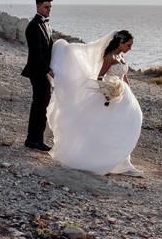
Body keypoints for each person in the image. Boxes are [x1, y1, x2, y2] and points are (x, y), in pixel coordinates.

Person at [47, 30, 143, 176]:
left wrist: (128, 89)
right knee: (109, 127)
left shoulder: (121, 56)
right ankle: (101, 159)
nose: (130, 48)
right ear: (120, 43)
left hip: (124, 96)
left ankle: (121, 159)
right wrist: (108, 91)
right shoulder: (109, 57)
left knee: (128, 123)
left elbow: (124, 76)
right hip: (111, 96)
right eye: (128, 45)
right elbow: (100, 77)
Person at [21, 0, 53, 152]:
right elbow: (37, 52)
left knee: (42, 104)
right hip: (37, 71)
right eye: (46, 7)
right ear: (38, 6)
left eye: (50, 7)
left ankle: (35, 138)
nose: (49, 10)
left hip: (42, 71)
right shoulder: (33, 26)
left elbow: (48, 49)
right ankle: (33, 139)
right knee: (39, 104)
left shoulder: (45, 25)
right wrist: (48, 71)